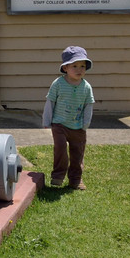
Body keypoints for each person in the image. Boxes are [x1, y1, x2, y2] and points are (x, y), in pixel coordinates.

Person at [42, 45, 94, 190]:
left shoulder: (86, 87)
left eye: (83, 66)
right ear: (65, 68)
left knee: (77, 153)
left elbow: (88, 105)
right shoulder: (58, 84)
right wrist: (47, 120)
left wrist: (85, 124)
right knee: (60, 149)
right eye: (75, 66)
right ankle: (57, 176)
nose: (79, 69)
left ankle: (76, 180)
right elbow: (50, 102)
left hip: (78, 128)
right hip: (59, 125)